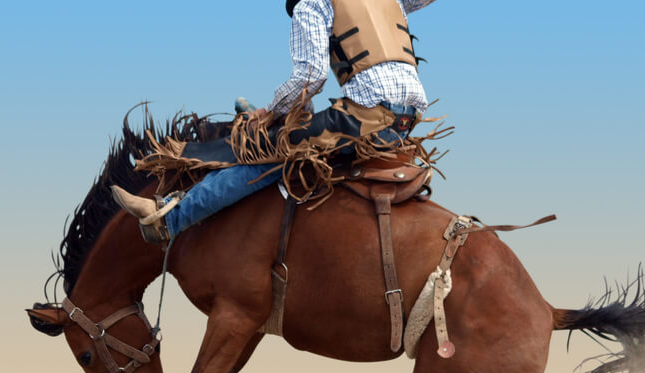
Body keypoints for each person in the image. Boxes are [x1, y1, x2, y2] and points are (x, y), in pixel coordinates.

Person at [113, 0, 438, 243]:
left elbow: (309, 80)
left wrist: (268, 114)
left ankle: (167, 220)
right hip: (407, 119)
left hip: (364, 119)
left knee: (263, 153)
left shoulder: (312, 3)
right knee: (286, 133)